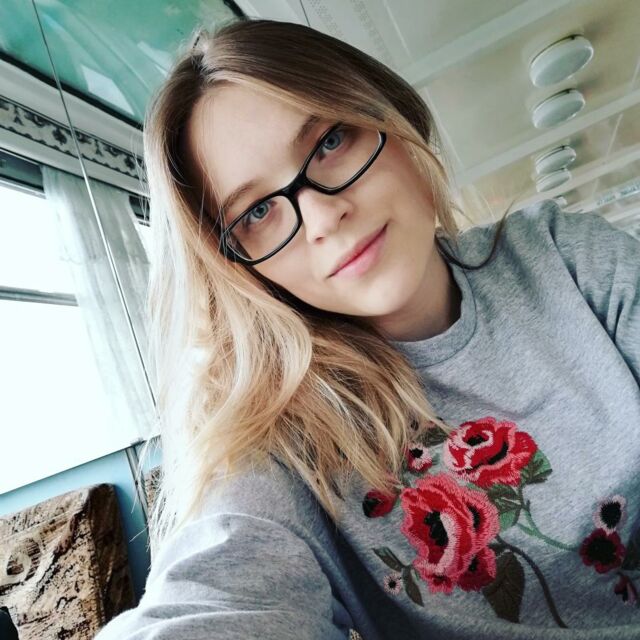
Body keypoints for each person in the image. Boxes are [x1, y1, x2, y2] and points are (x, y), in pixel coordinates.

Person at [95, 17, 640, 640]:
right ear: (241, 267)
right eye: (259, 211)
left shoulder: (563, 255)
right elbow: (216, 598)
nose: (324, 217)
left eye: (330, 142)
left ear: (392, 117)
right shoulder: (282, 446)